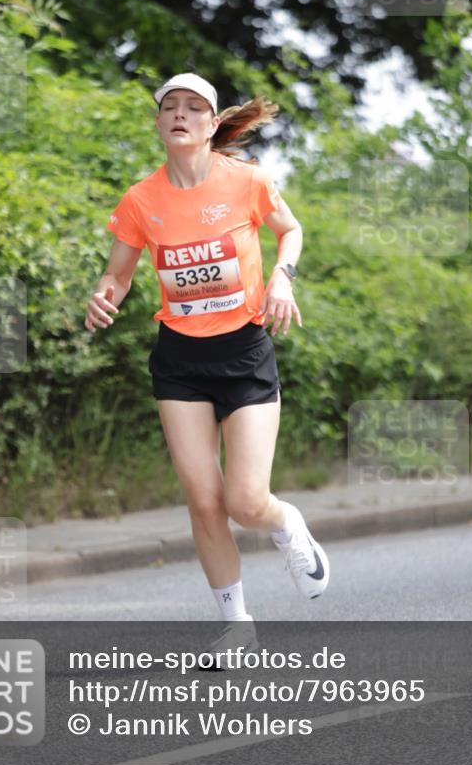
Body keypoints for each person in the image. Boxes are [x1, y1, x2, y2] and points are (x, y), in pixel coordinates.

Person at [85, 73, 329, 665]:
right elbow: (118, 273)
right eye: (170, 107)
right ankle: (236, 624)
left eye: (194, 108)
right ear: (159, 122)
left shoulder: (247, 181)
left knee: (247, 502)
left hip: (244, 353)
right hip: (180, 361)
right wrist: (104, 295)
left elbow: (290, 230)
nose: (180, 115)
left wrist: (281, 277)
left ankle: (288, 524)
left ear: (212, 124)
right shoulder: (141, 200)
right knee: (203, 501)